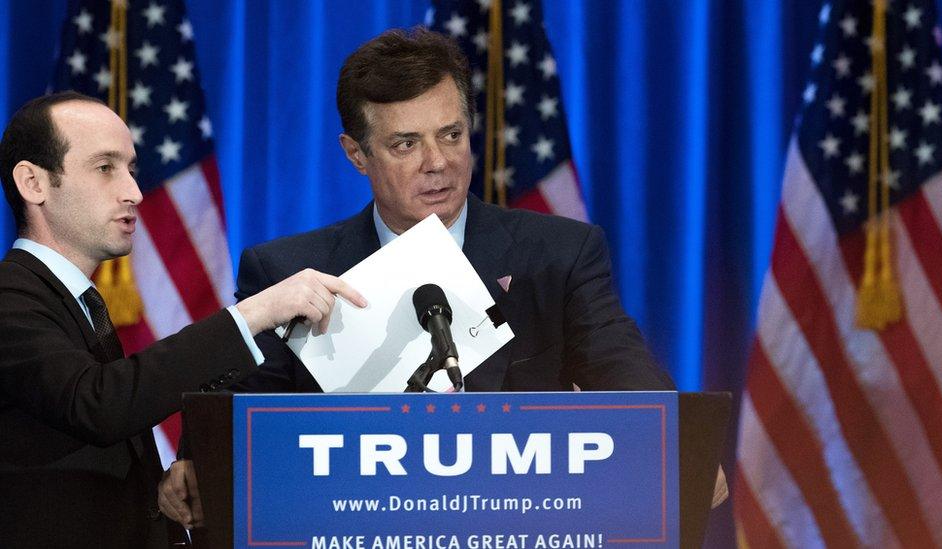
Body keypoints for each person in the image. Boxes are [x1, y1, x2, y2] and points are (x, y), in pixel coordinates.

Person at [158, 27, 677, 528]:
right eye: (406, 145)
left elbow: (622, 368)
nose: (439, 163)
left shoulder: (560, 255)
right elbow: (235, 420)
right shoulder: (287, 271)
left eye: (451, 135)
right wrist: (197, 466)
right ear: (355, 154)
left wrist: (678, 455)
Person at [0, 92, 365, 548]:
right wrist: (255, 313)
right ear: (33, 182)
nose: (134, 191)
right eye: (104, 168)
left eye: (131, 169)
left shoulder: (75, 302)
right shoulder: (11, 298)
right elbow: (100, 404)